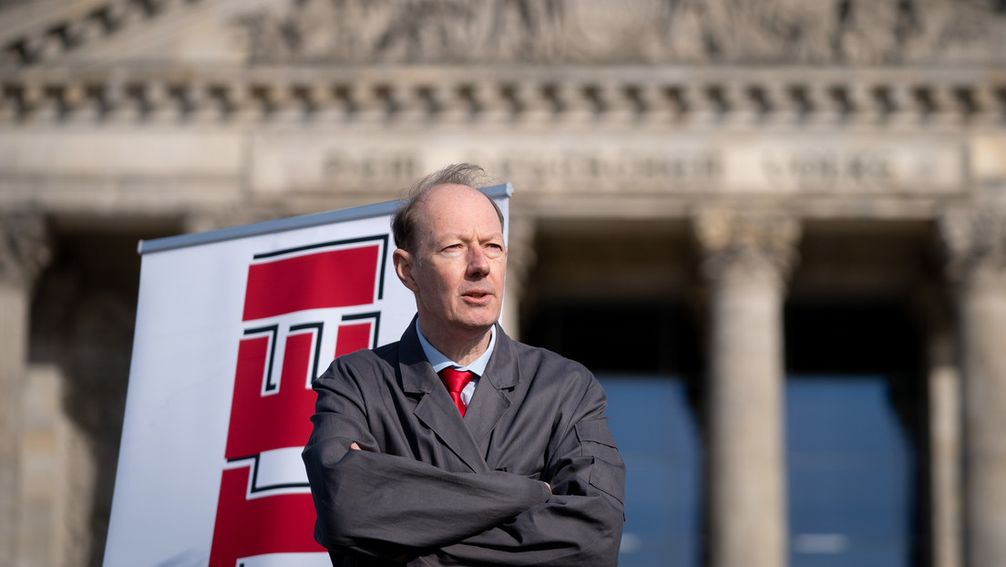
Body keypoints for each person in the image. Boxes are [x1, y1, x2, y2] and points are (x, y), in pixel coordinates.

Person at [302, 163, 625, 566]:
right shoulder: (356, 382)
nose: (481, 265)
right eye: (454, 247)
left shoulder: (565, 386)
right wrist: (530, 494)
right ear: (407, 270)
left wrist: (406, 541)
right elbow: (346, 509)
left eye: (493, 246)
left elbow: (595, 536)